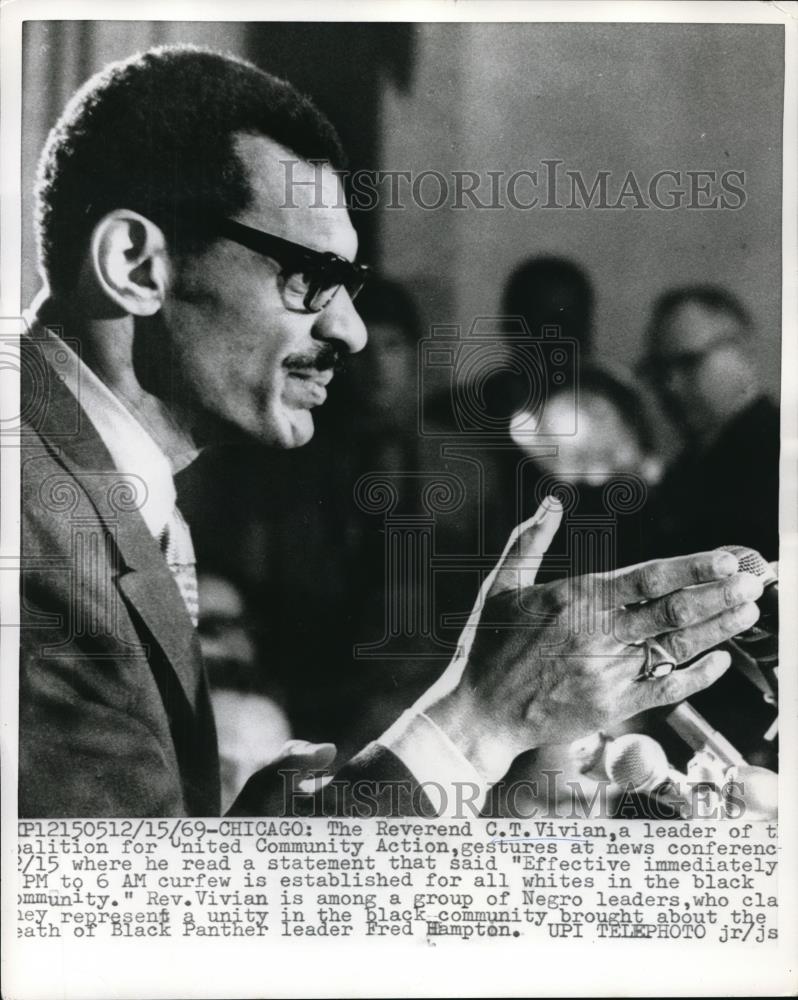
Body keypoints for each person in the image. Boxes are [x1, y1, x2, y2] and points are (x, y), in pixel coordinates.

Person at [19, 46, 763, 818]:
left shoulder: (95, 487)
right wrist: (479, 718)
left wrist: (254, 831)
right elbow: (137, 932)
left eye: (351, 287)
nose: (351, 331)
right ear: (136, 265)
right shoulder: (32, 536)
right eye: (309, 276)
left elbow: (155, 870)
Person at [640, 285, 780, 561]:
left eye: (688, 362)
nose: (670, 385)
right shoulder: (686, 466)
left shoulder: (781, 454)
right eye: (659, 369)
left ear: (743, 354)